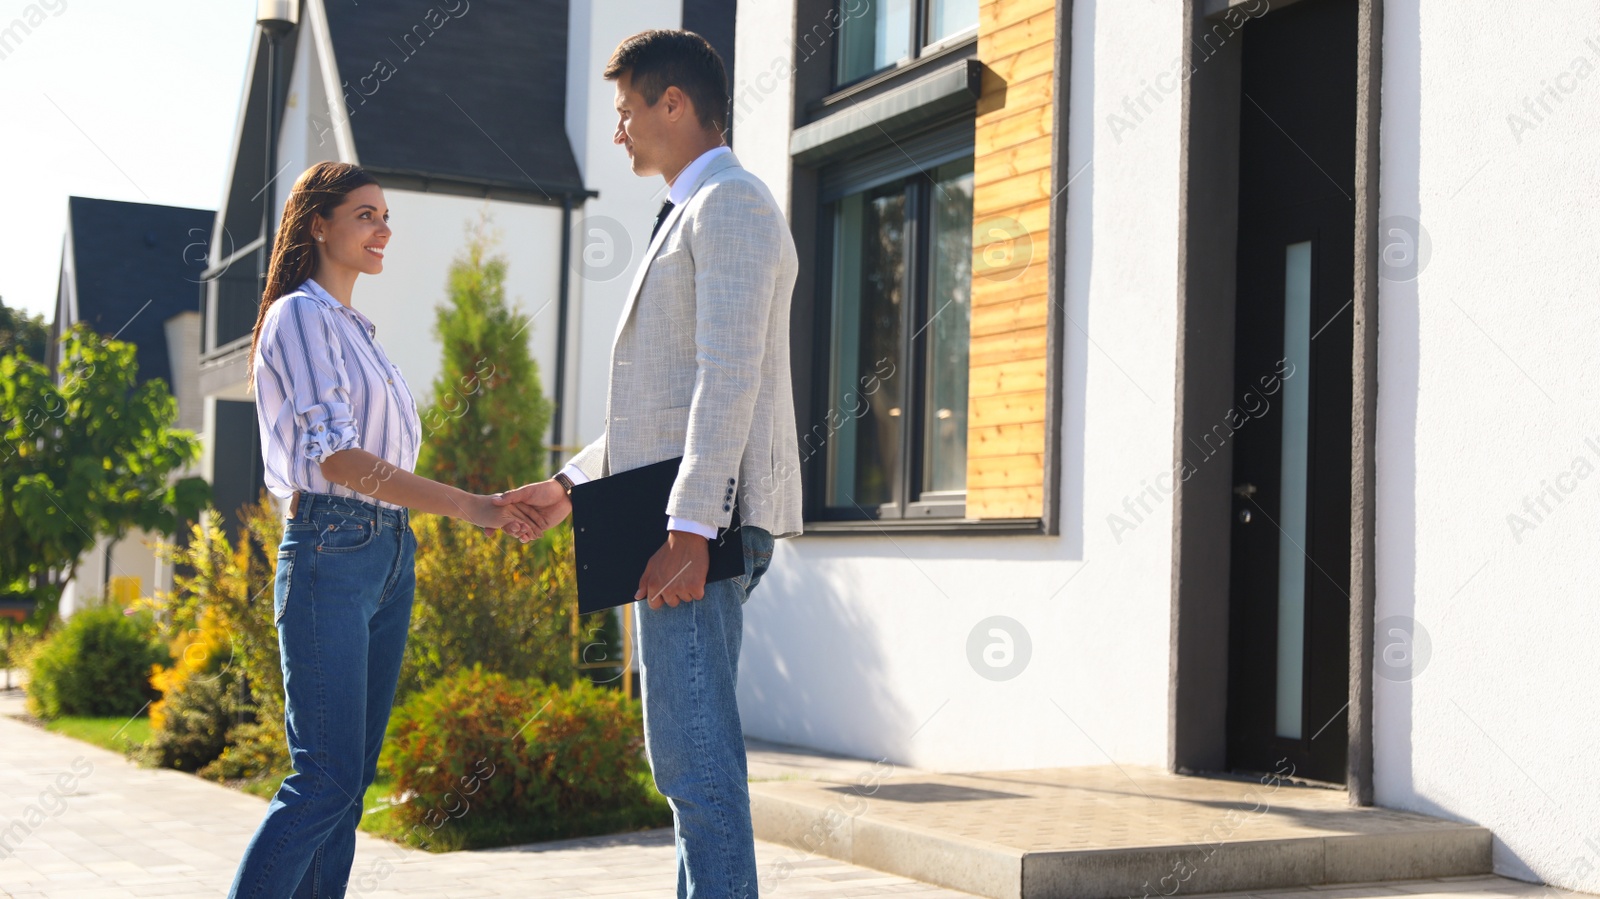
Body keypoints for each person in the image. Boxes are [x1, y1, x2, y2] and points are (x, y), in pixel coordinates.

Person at [497, 29, 802, 898]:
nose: (620, 129)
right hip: (672, 523)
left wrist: (690, 528)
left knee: (697, 765)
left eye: (628, 110)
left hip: (695, 532)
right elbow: (660, 409)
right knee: (685, 765)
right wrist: (565, 489)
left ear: (675, 104)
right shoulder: (693, 211)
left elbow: (729, 376)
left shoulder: (731, 205)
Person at [230, 161, 538, 898]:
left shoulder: (356, 332)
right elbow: (336, 457)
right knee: (326, 777)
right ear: (319, 225)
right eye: (366, 215)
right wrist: (469, 504)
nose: (384, 230)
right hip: (334, 546)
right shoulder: (298, 315)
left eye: (385, 216)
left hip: (388, 550)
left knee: (350, 779)